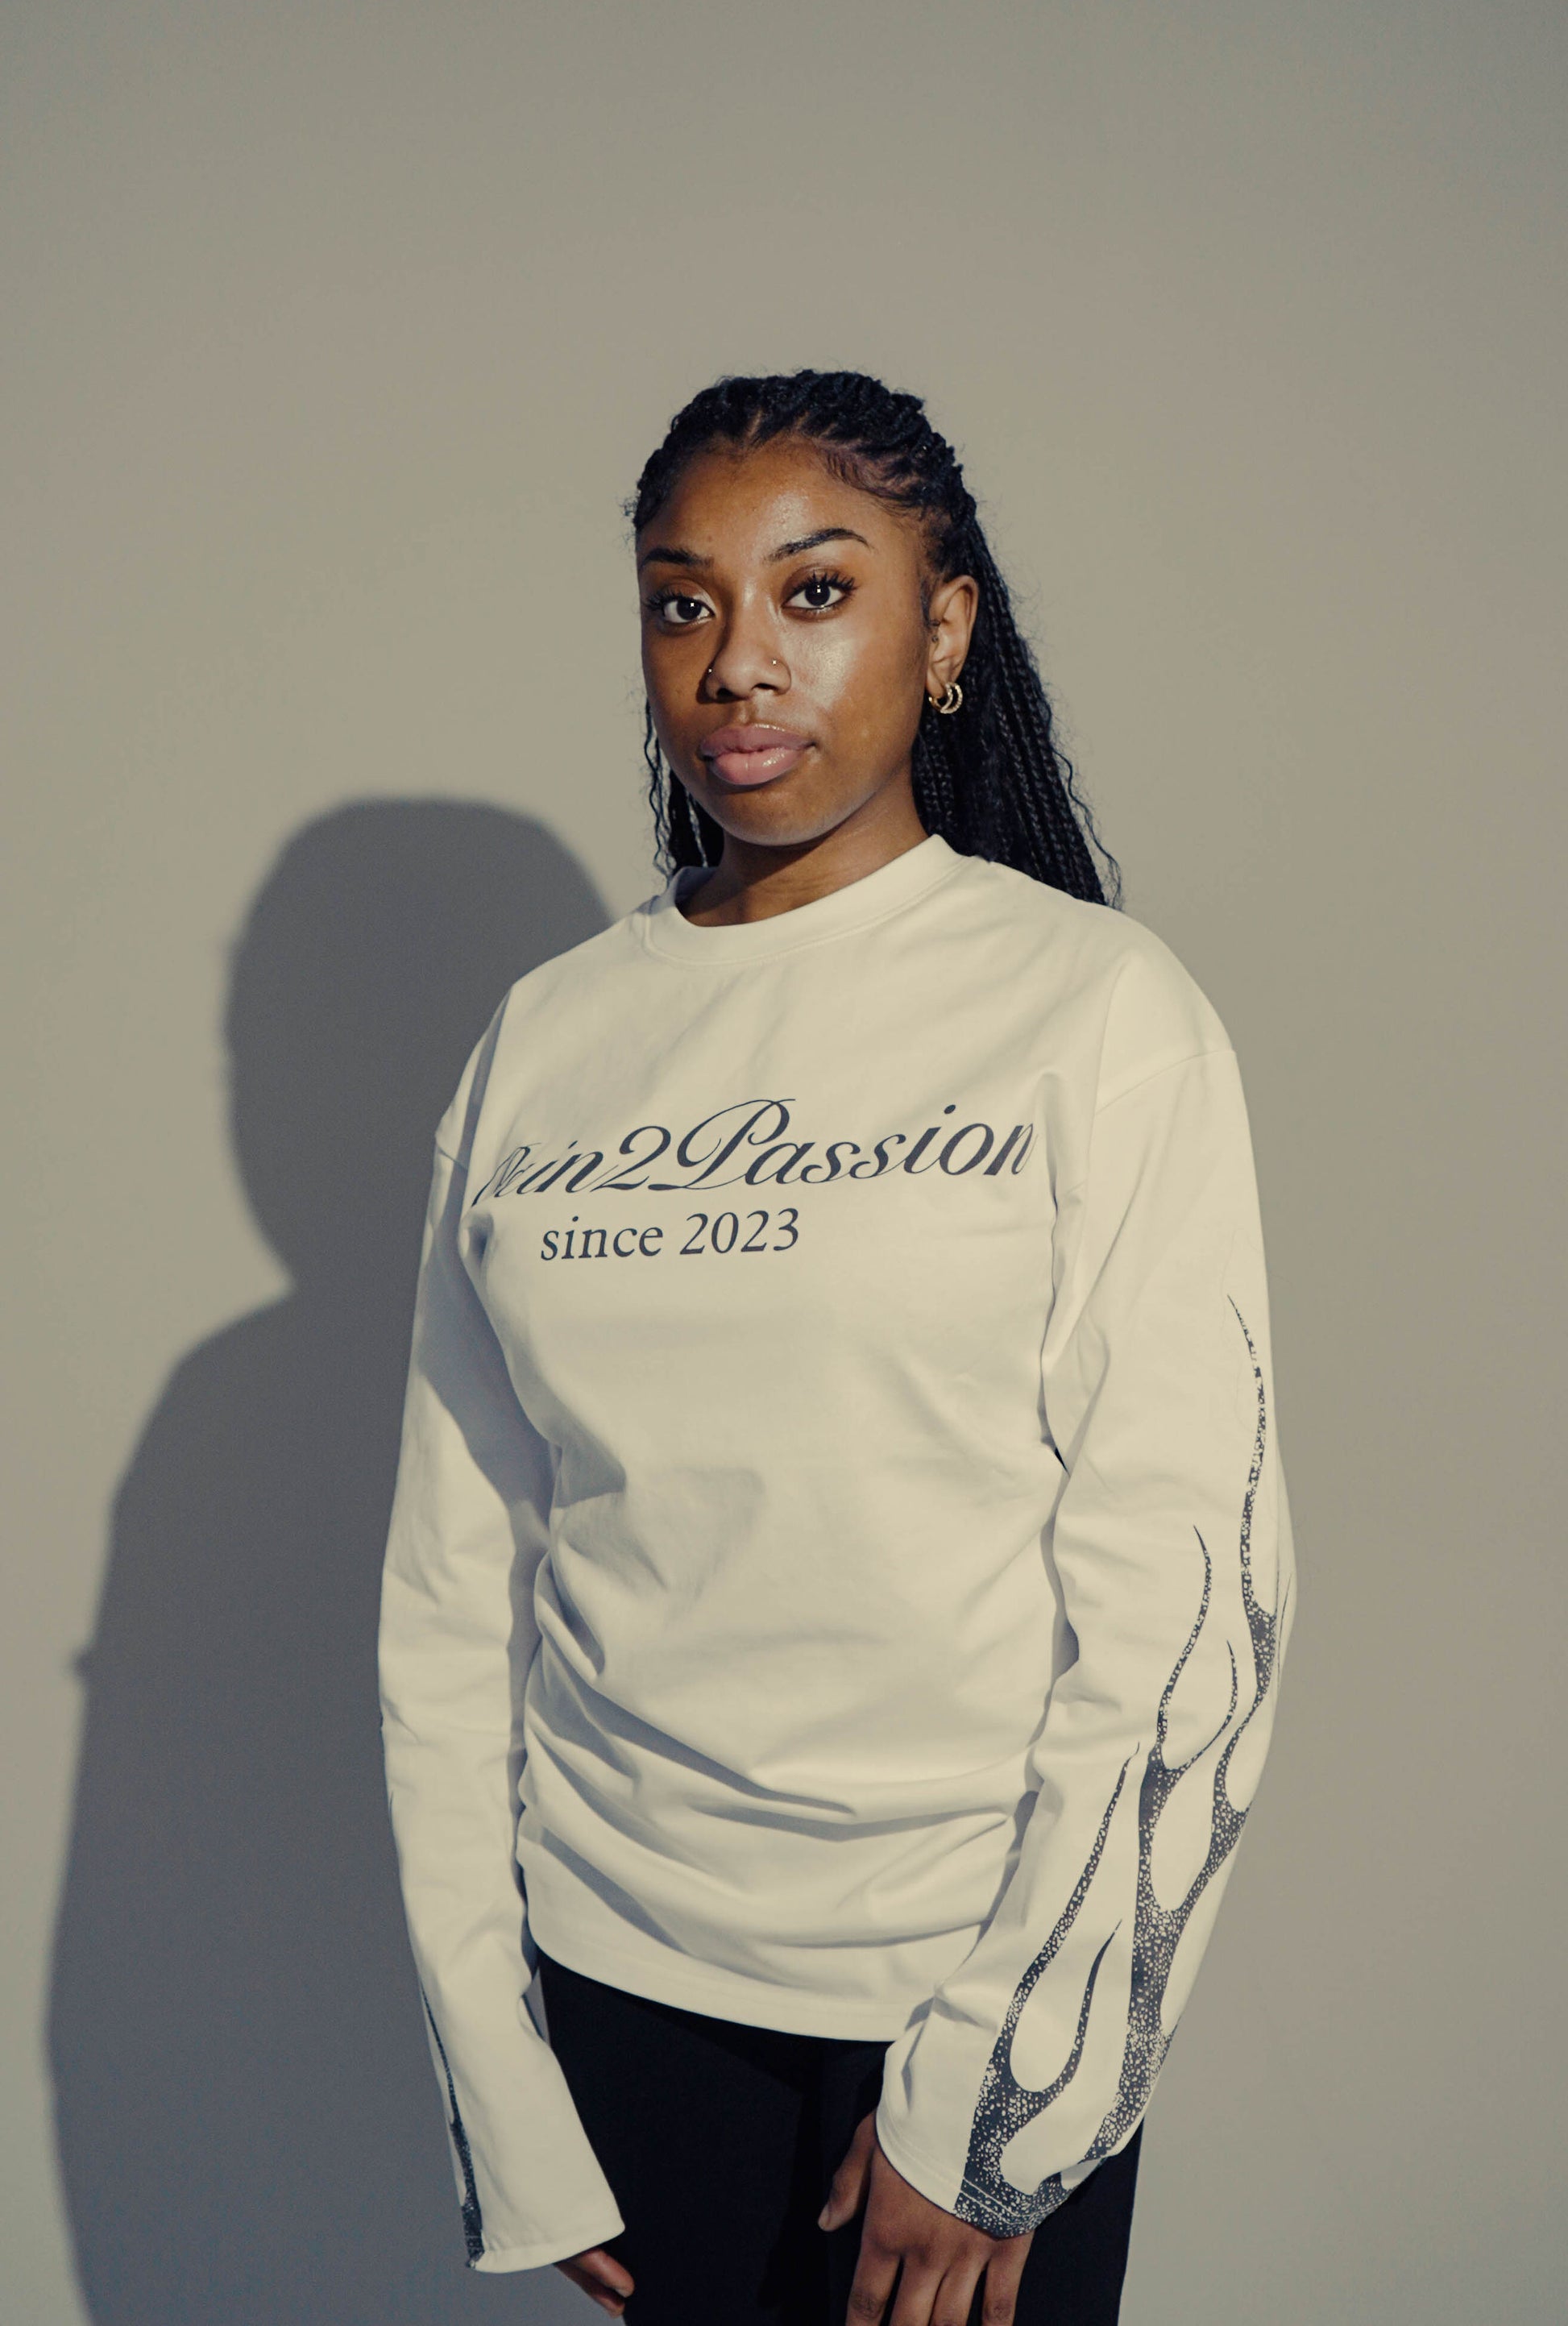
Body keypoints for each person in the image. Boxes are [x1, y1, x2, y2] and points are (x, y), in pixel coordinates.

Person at [377, 370, 1295, 2326]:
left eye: (814, 591)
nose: (736, 661)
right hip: (626, 1990)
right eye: (681, 601)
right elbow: (452, 1591)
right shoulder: (547, 1040)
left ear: (941, 627)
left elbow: (1188, 1591)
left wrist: (1009, 2095)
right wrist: (497, 2073)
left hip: (962, 1978)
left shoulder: (1091, 1009)